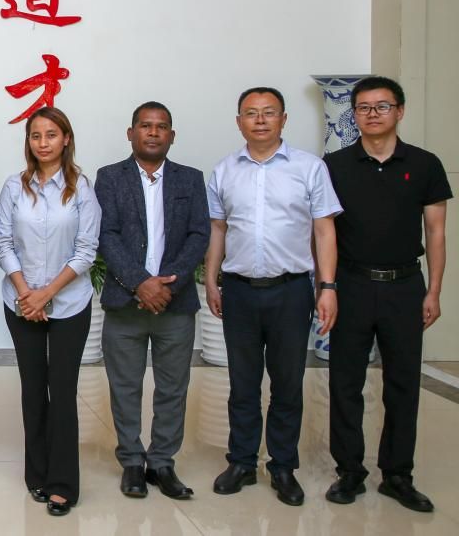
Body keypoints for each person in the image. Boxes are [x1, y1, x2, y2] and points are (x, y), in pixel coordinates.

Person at [205, 86, 341, 506]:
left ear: (283, 119)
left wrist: (327, 287)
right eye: (251, 113)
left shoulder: (309, 168)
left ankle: (282, 465)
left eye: (269, 112)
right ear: (239, 122)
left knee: (287, 383)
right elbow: (218, 230)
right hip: (240, 291)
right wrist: (210, 280)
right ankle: (242, 462)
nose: (260, 120)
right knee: (242, 383)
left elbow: (324, 231)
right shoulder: (224, 171)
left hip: (291, 291)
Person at [323, 76, 450, 512]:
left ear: (400, 111)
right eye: (363, 107)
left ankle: (398, 475)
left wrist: (434, 290)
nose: (372, 114)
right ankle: (349, 471)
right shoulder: (334, 165)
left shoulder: (425, 164)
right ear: (354, 114)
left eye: (382, 106)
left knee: (402, 383)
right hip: (352, 284)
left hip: (405, 286)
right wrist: (327, 287)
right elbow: (323, 232)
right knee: (345, 382)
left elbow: (436, 232)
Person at [95, 102, 209, 501]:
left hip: (175, 305)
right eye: (145, 125)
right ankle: (131, 460)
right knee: (125, 387)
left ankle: (162, 462)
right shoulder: (110, 177)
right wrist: (140, 283)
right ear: (131, 133)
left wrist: (166, 286)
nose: (154, 132)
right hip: (124, 303)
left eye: (161, 127)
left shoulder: (190, 179)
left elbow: (199, 235)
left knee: (173, 388)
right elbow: (106, 234)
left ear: (172, 136)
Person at [0, 107, 100, 516]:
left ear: (66, 139)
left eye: (51, 135)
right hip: (20, 302)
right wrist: (27, 293)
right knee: (33, 389)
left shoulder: (81, 188)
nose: (43, 143)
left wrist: (47, 294)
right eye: (35, 135)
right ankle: (37, 473)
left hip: (69, 304)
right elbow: (4, 243)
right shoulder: (14, 187)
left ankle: (63, 484)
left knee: (63, 391)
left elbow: (86, 250)